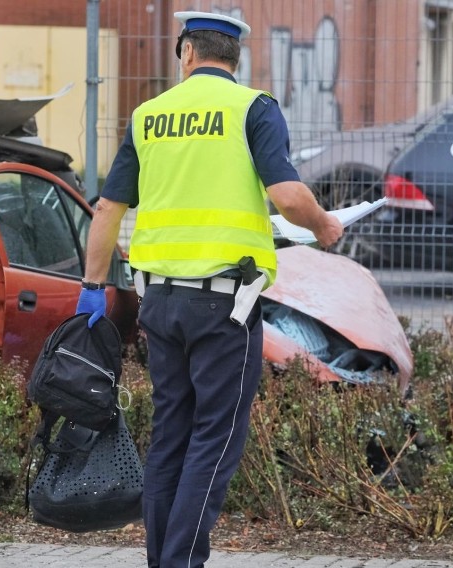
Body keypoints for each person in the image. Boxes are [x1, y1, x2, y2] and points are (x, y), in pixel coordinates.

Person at [76, 11, 343, 568]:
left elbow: (107, 208)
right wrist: (325, 226)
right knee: (213, 443)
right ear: (234, 58)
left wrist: (92, 287)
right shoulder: (254, 109)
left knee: (171, 436)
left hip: (161, 304)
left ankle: (162, 560)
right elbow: (290, 196)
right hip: (225, 306)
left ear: (187, 53)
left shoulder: (148, 117)